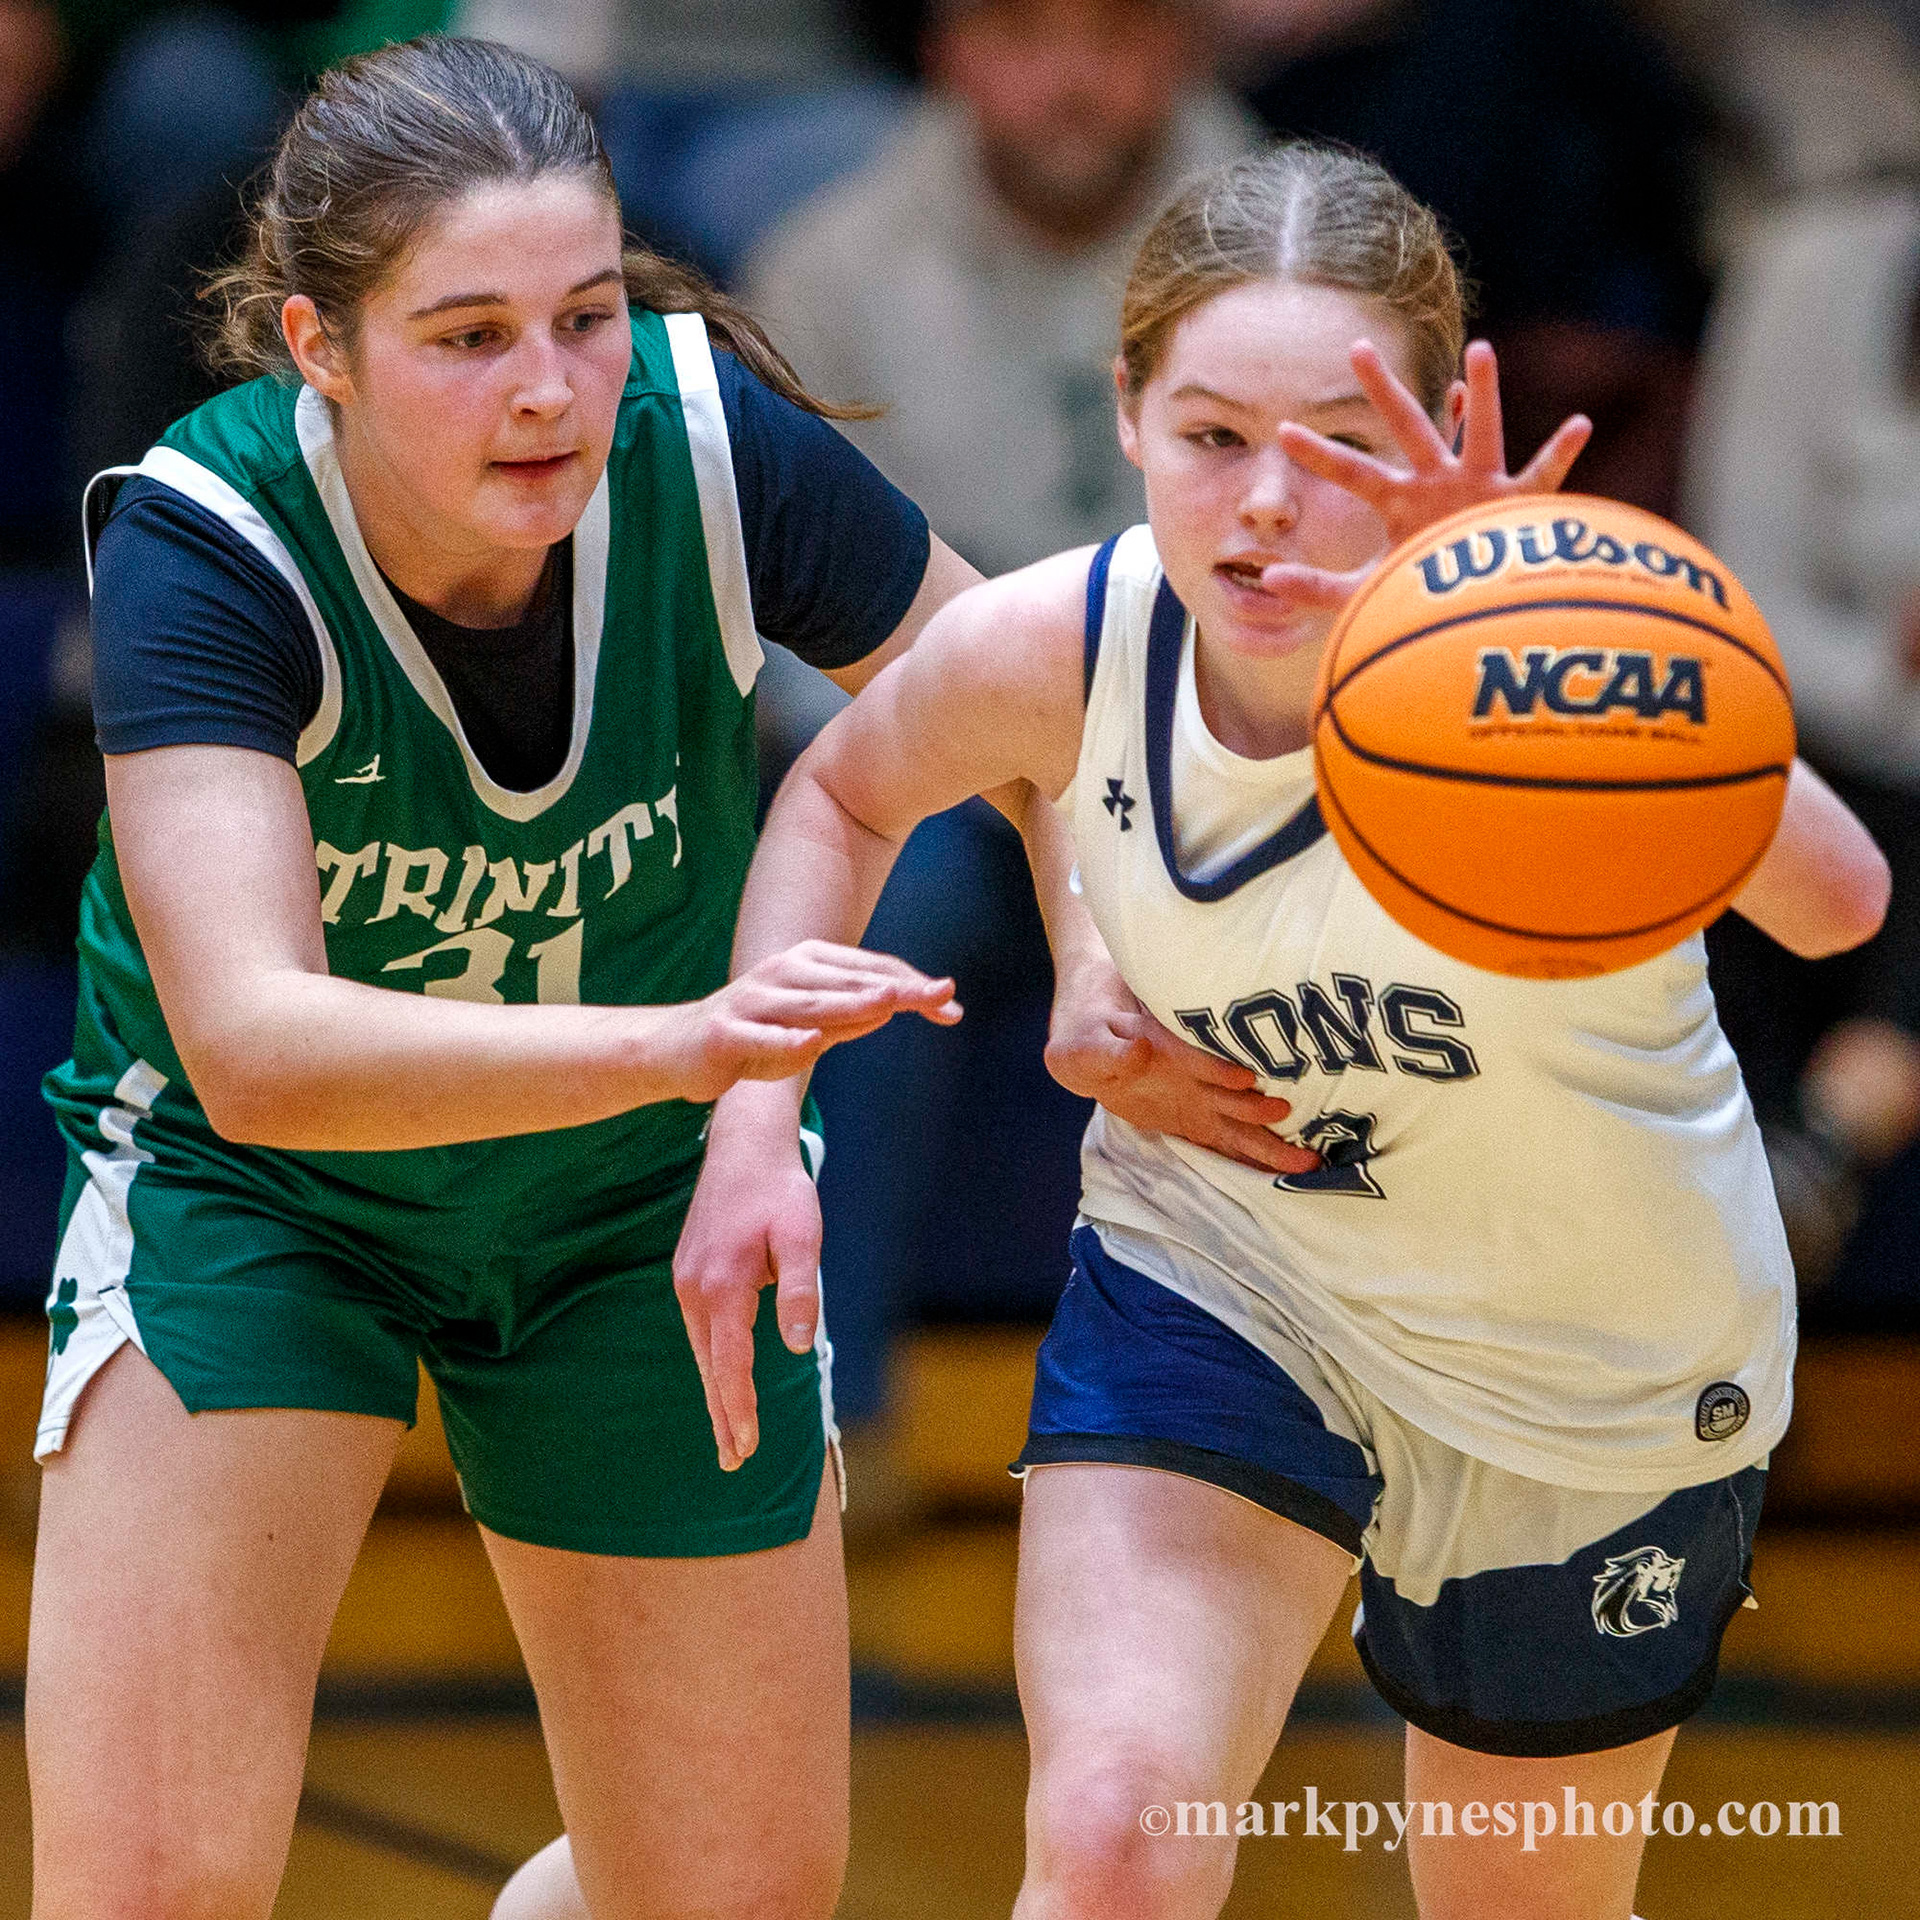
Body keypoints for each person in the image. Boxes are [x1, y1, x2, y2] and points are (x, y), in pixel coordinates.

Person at [26, 34, 1279, 1920]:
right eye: (467, 339)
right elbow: (260, 1048)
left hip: (631, 1208)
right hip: (259, 1197)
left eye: (586, 316)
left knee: (724, 1898)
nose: (551, 392)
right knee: (151, 1886)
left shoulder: (702, 439)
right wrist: (696, 1045)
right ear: (317, 346)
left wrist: (1099, 964)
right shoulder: (206, 542)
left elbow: (1035, 713)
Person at [684, 144, 1890, 1918]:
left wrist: (1553, 616)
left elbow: (1839, 898)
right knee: (1111, 1842)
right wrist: (748, 1130)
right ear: (1129, 412)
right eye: (1211, 437)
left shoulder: (1542, 659)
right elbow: (842, 800)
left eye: (1334, 446)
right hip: (1228, 1273)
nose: (1265, 504)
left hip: (1594, 1361)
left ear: (1430, 440)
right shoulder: (1068, 641)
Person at [741, 0, 1259, 1442]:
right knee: (872, 910)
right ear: (950, 51)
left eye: (1116, 35)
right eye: (1028, 34)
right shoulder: (827, 261)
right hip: (943, 770)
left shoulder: (1288, 262)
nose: (1074, 81)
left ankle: (1302, 1416)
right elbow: (767, 607)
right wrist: (975, 749)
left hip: (1222, 752)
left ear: (1183, 48)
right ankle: (823, 1416)